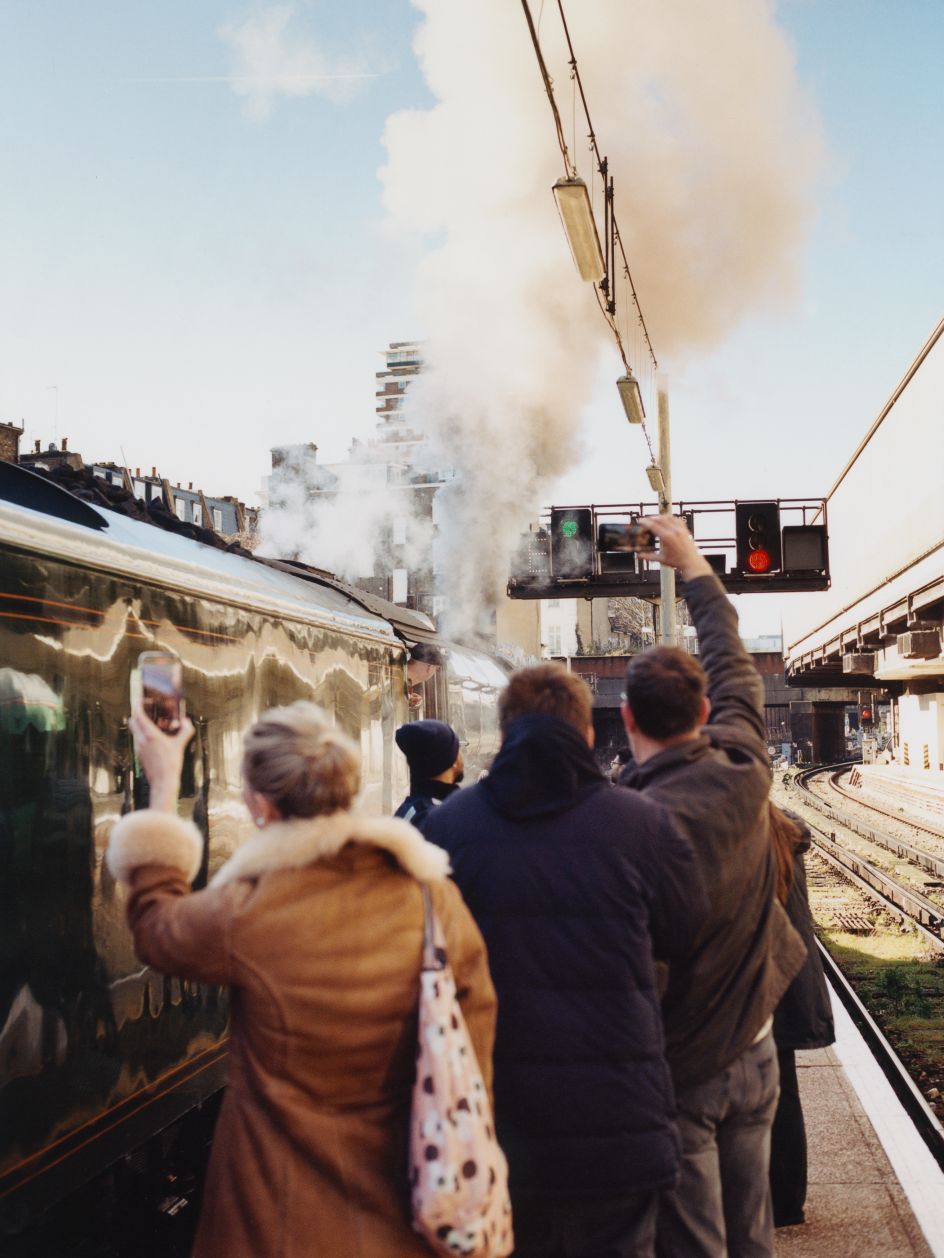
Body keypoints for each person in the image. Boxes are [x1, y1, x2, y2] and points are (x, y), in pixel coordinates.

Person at [106, 700, 496, 1258]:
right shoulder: (436, 904)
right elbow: (475, 1053)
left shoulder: (253, 912)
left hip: (276, 1222)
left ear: (261, 803)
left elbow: (155, 928)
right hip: (405, 1217)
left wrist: (163, 783)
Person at [423, 662, 707, 1258]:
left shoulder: (447, 830)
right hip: (617, 1121)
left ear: (503, 737)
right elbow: (687, 936)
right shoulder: (643, 825)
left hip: (492, 1117)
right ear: (586, 736)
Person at [618, 515, 807, 1258]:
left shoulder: (630, 824)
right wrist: (692, 563)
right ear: (703, 714)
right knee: (752, 1232)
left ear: (627, 717)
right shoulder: (745, 767)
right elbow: (730, 655)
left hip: (683, 1066)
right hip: (757, 1049)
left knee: (693, 1242)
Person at [768, 803, 835, 1228]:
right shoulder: (783, 828)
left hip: (754, 985)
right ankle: (787, 1204)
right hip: (787, 983)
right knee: (782, 1091)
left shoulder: (734, 827)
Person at [394, 719, 464, 828]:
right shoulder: (437, 819)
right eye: (457, 749)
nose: (461, 754)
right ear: (452, 762)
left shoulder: (413, 809)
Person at [406, 642, 444, 711]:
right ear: (430, 667)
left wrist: (408, 700)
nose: (435, 672)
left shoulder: (399, 678)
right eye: (437, 669)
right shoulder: (398, 682)